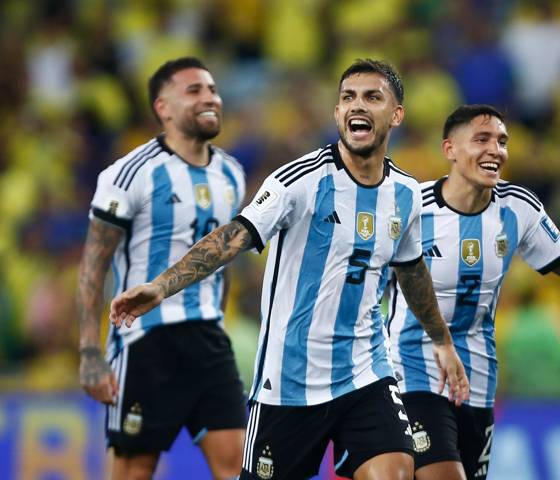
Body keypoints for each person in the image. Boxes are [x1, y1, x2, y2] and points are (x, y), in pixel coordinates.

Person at [109, 59, 470, 480]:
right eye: (348, 98)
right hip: (289, 383)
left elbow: (411, 271)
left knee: (396, 471)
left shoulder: (407, 194)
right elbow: (234, 236)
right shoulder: (302, 181)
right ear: (337, 114)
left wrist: (441, 341)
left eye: (372, 97)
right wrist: (160, 287)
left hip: (365, 372)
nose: (357, 106)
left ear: (396, 115)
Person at [387, 104, 560, 480]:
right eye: (482, 139)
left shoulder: (518, 207)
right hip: (413, 364)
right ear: (450, 149)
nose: (496, 150)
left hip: (478, 376)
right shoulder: (410, 209)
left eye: (502, 141)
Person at [76, 57, 248, 480]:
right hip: (146, 340)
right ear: (163, 108)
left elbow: (223, 261)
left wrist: (219, 320)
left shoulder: (232, 173)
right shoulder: (129, 173)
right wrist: (89, 351)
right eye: (194, 90)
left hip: (209, 339)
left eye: (212, 89)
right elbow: (94, 265)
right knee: (135, 470)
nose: (209, 97)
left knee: (240, 468)